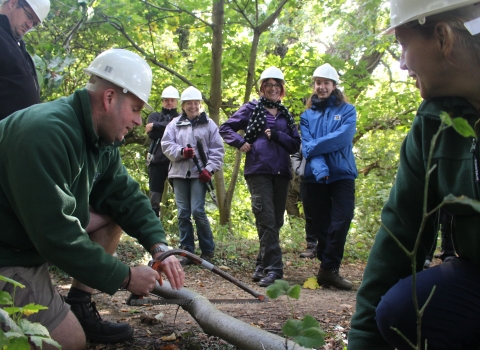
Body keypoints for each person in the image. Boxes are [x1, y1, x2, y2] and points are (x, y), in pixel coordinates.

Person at [0, 49, 185, 349]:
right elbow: (56, 235)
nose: (139, 121)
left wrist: (159, 246)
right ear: (110, 98)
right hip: (8, 254)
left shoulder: (101, 140)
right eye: (136, 109)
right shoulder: (45, 133)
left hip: (25, 240)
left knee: (113, 213)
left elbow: (125, 197)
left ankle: (79, 304)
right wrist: (125, 277)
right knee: (70, 342)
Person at [349, 1, 480, 348]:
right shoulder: (434, 120)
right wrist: (361, 342)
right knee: (401, 309)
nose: (403, 64)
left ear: (442, 38)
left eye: (403, 46)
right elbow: (400, 231)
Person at [219, 67, 301, 287]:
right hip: (258, 169)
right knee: (265, 218)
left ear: (282, 89)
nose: (273, 89)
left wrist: (277, 135)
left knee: (276, 221)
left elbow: (295, 144)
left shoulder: (285, 114)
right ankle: (275, 270)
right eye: (269, 85)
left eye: (277, 85)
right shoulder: (251, 108)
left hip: (282, 172)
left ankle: (261, 265)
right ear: (262, 88)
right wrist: (240, 142)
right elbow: (225, 128)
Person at [300, 63, 357, 290]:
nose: (321, 87)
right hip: (316, 176)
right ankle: (328, 270)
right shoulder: (307, 116)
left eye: (326, 83)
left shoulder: (347, 111)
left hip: (342, 174)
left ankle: (328, 268)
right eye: (318, 83)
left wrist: (313, 145)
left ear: (334, 86)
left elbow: (342, 138)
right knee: (321, 225)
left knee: (342, 218)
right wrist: (321, 169)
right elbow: (307, 148)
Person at [161, 86, 224, 265]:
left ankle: (207, 250)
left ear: (200, 105)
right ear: (183, 105)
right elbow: (166, 145)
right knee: (183, 213)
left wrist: (209, 169)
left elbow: (217, 150)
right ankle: (187, 251)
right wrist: (181, 152)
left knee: (197, 210)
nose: (193, 106)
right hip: (179, 174)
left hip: (199, 174)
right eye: (189, 103)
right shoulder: (174, 124)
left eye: (196, 103)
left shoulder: (209, 124)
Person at [0, 0, 50, 121]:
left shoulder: (15, 43)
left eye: (34, 23)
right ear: (12, 3)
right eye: (29, 16)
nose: (30, 25)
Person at [146, 86, 180, 218]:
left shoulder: (180, 117)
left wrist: (156, 126)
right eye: (166, 100)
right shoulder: (154, 116)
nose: (169, 103)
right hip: (156, 161)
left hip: (176, 162)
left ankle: (185, 228)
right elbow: (152, 134)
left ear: (176, 102)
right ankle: (153, 229)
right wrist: (166, 127)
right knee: (154, 196)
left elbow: (178, 130)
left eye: (172, 100)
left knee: (181, 195)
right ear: (162, 102)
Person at [291, 146, 318, 258]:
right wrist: (300, 170)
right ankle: (311, 246)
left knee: (328, 214)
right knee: (309, 214)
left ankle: (327, 247)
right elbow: (295, 155)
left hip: (327, 180)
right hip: (306, 180)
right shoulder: (303, 136)